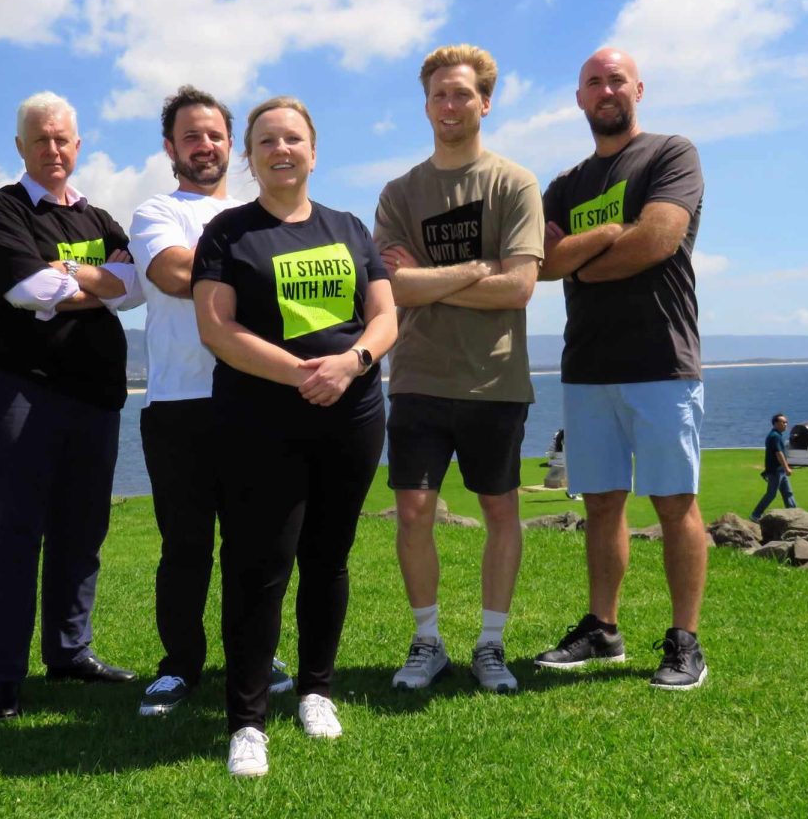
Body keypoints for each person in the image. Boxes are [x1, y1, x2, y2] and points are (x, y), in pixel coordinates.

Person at [192, 96, 397, 777]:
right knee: (257, 567)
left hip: (354, 410)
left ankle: (315, 689)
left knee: (328, 558)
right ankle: (247, 723)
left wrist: (352, 364)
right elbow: (217, 330)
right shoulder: (228, 233)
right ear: (249, 158)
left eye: (293, 139)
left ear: (314, 150)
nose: (282, 150)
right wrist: (302, 374)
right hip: (260, 418)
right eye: (267, 141)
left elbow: (384, 315)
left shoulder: (347, 227)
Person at [0, 91, 143, 720]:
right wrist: (100, 285)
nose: (53, 149)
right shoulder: (0, 211)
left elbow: (138, 284)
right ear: (21, 147)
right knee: (10, 533)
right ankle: (2, 676)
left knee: (80, 530)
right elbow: (27, 288)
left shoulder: (99, 218)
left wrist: (72, 277)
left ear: (79, 144)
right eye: (40, 139)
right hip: (12, 389)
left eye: (63, 138)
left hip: (91, 397)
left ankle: (70, 652)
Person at [532, 47, 709, 690]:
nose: (606, 90)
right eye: (593, 82)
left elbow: (658, 238)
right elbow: (542, 263)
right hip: (587, 366)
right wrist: (607, 239)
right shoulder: (565, 184)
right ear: (579, 98)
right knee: (602, 503)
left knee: (673, 503)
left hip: (662, 362)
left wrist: (584, 256)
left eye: (616, 80)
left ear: (639, 88)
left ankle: (685, 640)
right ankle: (602, 629)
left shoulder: (670, 154)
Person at [373, 44, 544, 694]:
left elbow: (520, 286)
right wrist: (476, 270)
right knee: (415, 510)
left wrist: (429, 278)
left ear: (485, 102)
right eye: (439, 94)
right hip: (417, 376)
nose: (450, 105)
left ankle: (492, 646)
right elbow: (393, 288)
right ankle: (427, 640)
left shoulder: (514, 183)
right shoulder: (401, 192)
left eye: (462, 94)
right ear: (426, 104)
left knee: (501, 510)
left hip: (495, 379)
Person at [128, 86, 291, 717]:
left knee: (257, 544)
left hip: (256, 398)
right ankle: (180, 666)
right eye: (191, 136)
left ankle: (257, 655)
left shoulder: (265, 213)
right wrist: (259, 271)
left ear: (234, 146)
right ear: (171, 148)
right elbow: (171, 272)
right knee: (186, 546)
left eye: (215, 134)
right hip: (179, 404)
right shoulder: (156, 212)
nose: (204, 145)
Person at [751, 413, 796, 521]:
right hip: (776, 471)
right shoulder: (774, 436)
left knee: (788, 493)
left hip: (780, 471)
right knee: (771, 494)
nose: (785, 424)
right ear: (776, 423)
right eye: (783, 422)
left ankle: (794, 513)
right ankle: (756, 515)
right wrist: (786, 468)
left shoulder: (777, 435)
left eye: (786, 422)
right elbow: (778, 453)